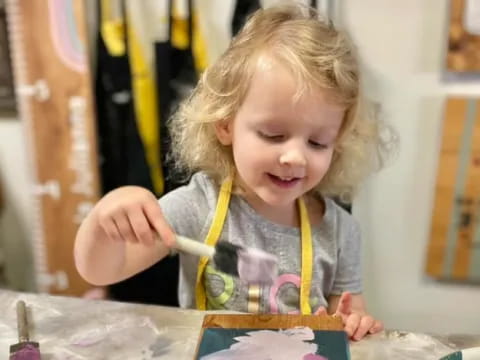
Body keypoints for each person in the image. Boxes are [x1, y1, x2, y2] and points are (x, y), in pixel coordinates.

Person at [74, 3, 394, 341]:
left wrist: (353, 322)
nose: (295, 157)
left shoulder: (340, 232)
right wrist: (104, 220)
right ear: (225, 125)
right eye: (274, 135)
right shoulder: (198, 207)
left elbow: (349, 311)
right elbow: (99, 270)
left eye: (318, 143)